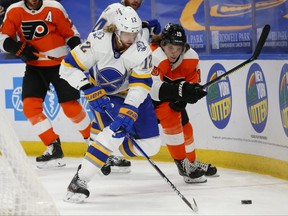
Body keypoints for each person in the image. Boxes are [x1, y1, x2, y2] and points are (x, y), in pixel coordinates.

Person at [59, 6, 163, 203]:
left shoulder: (142, 51)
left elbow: (140, 85)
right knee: (117, 131)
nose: (131, 38)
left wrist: (130, 109)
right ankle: (80, 180)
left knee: (151, 145)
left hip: (133, 95)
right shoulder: (98, 41)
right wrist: (87, 87)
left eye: (134, 33)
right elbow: (66, 68)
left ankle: (101, 149)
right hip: (105, 95)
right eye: (126, 33)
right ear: (116, 30)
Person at [0, 0, 91, 168]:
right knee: (30, 107)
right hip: (34, 67)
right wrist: (17, 48)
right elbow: (3, 39)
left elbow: (71, 35)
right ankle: (53, 146)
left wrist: (78, 58)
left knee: (70, 106)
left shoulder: (54, 8)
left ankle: (92, 143)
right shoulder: (14, 11)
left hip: (61, 65)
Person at [89, 0, 161, 172]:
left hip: (123, 82)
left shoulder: (126, 16)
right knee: (112, 126)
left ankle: (102, 152)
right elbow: (104, 40)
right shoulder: (116, 10)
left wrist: (143, 27)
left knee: (110, 124)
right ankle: (96, 156)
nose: (136, 0)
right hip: (107, 80)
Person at [150, 23, 219, 184]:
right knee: (171, 116)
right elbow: (153, 90)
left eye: (178, 48)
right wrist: (180, 92)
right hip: (147, 102)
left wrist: (191, 93)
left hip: (170, 98)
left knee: (187, 129)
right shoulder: (154, 55)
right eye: (171, 47)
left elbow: (191, 85)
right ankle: (183, 164)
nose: (174, 52)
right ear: (163, 44)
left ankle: (192, 164)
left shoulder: (191, 57)